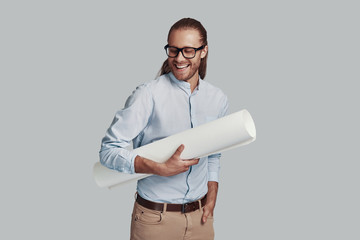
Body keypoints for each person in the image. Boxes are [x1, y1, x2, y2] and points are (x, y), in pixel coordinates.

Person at [99, 17, 228, 240]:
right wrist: (158, 167)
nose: (179, 58)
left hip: (201, 220)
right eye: (173, 50)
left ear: (204, 51)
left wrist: (213, 192)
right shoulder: (147, 95)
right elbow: (108, 151)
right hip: (155, 220)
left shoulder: (218, 99)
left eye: (188, 51)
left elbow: (214, 152)